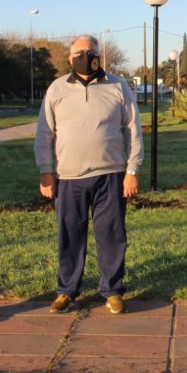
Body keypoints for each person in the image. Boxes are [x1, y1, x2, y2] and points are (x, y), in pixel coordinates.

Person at [34, 34, 143, 315]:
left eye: (89, 51)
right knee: (70, 235)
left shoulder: (118, 86)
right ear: (70, 58)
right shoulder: (57, 88)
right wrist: (46, 171)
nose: (84, 55)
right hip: (69, 177)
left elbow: (133, 130)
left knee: (111, 235)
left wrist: (132, 171)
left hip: (111, 174)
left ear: (98, 55)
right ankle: (66, 291)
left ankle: (112, 291)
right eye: (78, 52)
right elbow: (45, 133)